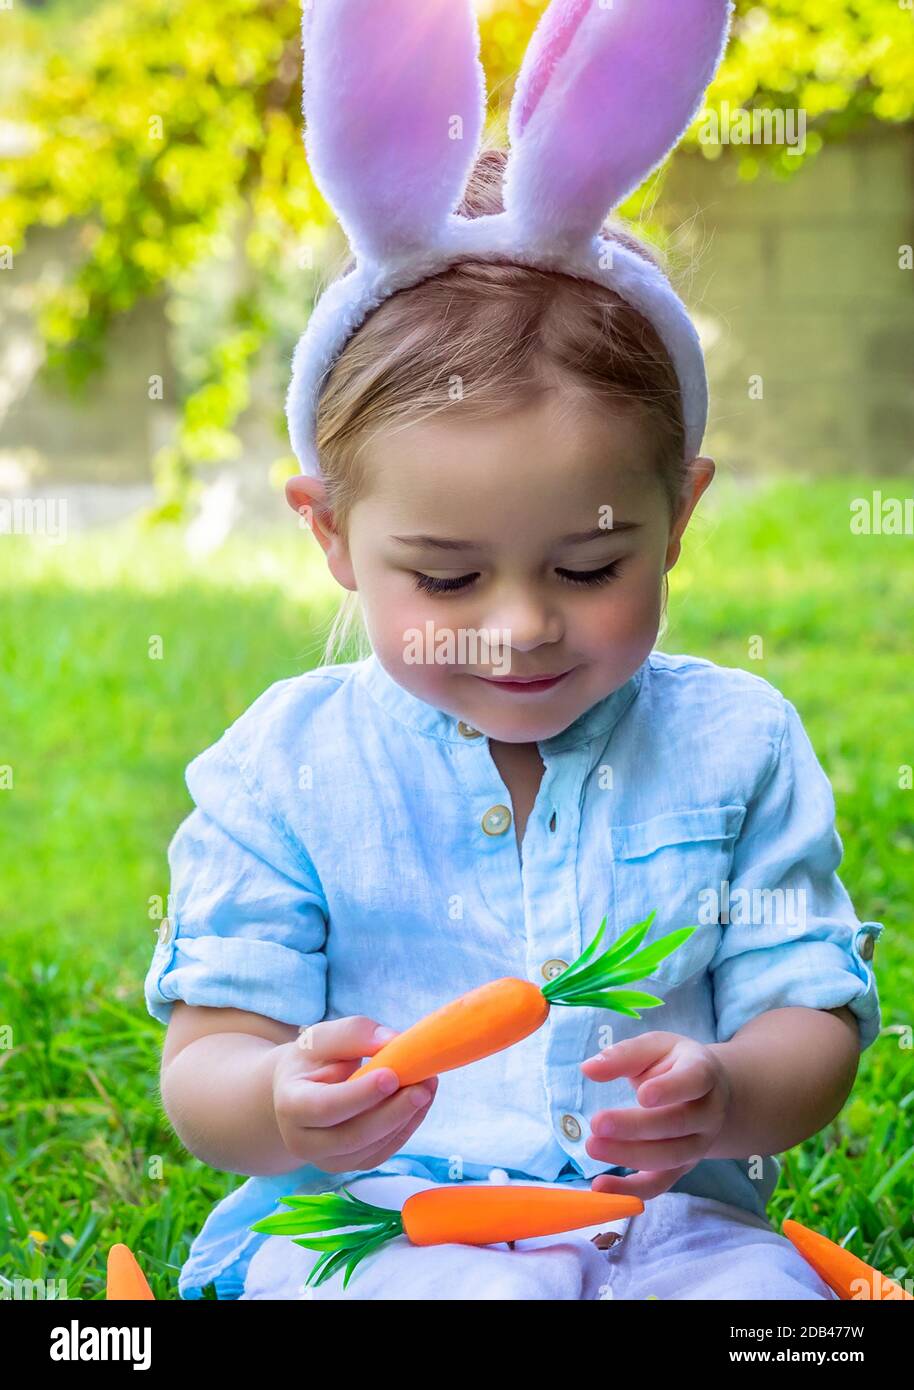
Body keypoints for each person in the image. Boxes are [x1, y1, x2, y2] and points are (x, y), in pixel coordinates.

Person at [143, 0, 883, 1300]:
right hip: (381, 1234)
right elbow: (208, 1061)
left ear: (680, 514)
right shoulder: (281, 765)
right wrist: (275, 1097)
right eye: (443, 573)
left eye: (589, 566)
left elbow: (805, 1013)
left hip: (660, 1227)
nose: (523, 623)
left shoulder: (736, 744)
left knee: (776, 1307)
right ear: (329, 533)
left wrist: (725, 1092)